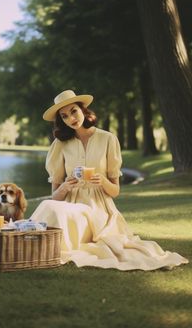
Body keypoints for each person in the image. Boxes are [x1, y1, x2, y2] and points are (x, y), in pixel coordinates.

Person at [31, 90, 188, 270]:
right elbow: (55, 197)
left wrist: (102, 181)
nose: (71, 118)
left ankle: (39, 247)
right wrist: (65, 186)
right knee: (47, 205)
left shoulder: (107, 139)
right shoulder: (60, 144)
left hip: (98, 210)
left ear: (83, 109)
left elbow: (115, 192)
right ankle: (31, 246)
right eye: (64, 116)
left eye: (74, 111)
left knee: (50, 208)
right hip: (70, 204)